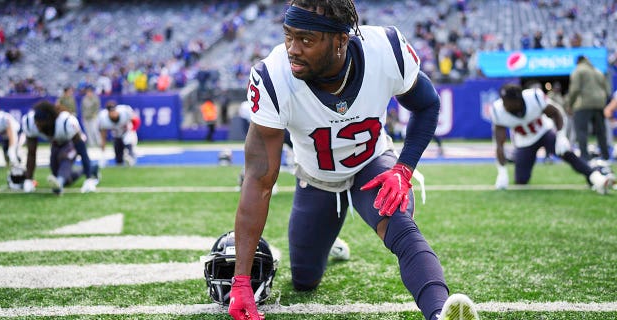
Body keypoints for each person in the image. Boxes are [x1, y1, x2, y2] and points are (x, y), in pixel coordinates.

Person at [229, 2, 479, 320]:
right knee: (305, 280)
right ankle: (329, 243)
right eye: (288, 36)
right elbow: (258, 180)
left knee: (399, 222)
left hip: (372, 165)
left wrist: (403, 170)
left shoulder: (385, 49)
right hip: (317, 178)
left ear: (340, 41)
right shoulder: (273, 76)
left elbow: (427, 105)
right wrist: (241, 281)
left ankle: (440, 312)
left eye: (306, 40)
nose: (293, 49)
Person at [492, 84, 614, 194]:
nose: (505, 105)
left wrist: (561, 136)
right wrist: (501, 171)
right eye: (504, 101)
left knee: (567, 153)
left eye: (508, 102)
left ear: (519, 100)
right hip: (524, 141)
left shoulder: (534, 97)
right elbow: (499, 144)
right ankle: (596, 174)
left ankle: (596, 177)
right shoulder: (498, 110)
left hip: (544, 131)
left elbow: (556, 112)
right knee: (521, 180)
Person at [21, 100, 99, 195]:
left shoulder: (67, 122)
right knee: (65, 178)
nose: (37, 126)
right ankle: (92, 168)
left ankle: (61, 181)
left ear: (50, 120)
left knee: (65, 157)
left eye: (40, 123)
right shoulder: (30, 123)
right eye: (36, 122)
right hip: (56, 144)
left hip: (70, 142)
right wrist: (29, 179)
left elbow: (82, 151)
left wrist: (89, 179)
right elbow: (31, 153)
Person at [567, 55, 612, 161]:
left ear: (578, 62)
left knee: (581, 131)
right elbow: (607, 90)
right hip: (599, 104)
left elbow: (575, 89)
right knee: (601, 132)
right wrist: (602, 101)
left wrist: (570, 104)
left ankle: (584, 157)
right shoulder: (598, 71)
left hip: (583, 104)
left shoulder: (578, 70)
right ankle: (605, 156)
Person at [98, 100, 139, 167]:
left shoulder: (125, 111)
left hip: (127, 132)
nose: (113, 113)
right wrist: (103, 154)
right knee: (118, 158)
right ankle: (122, 160)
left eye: (114, 111)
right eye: (111, 112)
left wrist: (132, 130)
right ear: (108, 112)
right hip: (116, 135)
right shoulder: (103, 118)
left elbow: (136, 120)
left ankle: (131, 155)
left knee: (128, 139)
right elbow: (103, 136)